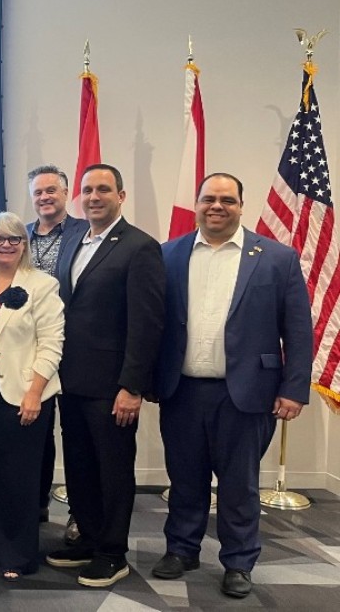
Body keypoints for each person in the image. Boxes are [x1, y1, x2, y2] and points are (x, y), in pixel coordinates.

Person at [152, 173, 312, 598]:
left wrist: (294, 388)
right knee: (185, 478)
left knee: (239, 485)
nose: (216, 206)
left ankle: (239, 561)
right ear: (198, 204)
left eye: (226, 199)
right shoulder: (169, 254)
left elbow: (298, 329)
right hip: (182, 389)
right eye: (208, 199)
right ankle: (182, 548)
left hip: (246, 392)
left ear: (241, 205)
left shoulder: (276, 258)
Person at [46, 163, 164, 587]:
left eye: (103, 189)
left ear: (121, 196)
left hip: (113, 387)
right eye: (87, 190)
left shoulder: (139, 247)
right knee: (79, 466)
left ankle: (113, 552)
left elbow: (146, 323)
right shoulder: (75, 240)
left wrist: (131, 386)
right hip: (72, 381)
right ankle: (88, 540)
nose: (93, 197)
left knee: (113, 470)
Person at [0, 212, 65, 581]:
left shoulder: (43, 284)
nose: (4, 245)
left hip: (22, 394)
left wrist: (35, 393)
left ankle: (16, 554)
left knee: (15, 476)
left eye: (13, 239)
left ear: (25, 244)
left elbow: (52, 344)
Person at [25, 164, 88, 544]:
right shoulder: (21, 237)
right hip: (30, 356)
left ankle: (80, 514)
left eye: (52, 190)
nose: (45, 197)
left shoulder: (85, 234)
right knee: (35, 437)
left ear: (66, 194)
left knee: (77, 438)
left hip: (76, 352)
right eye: (38, 192)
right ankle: (34, 506)